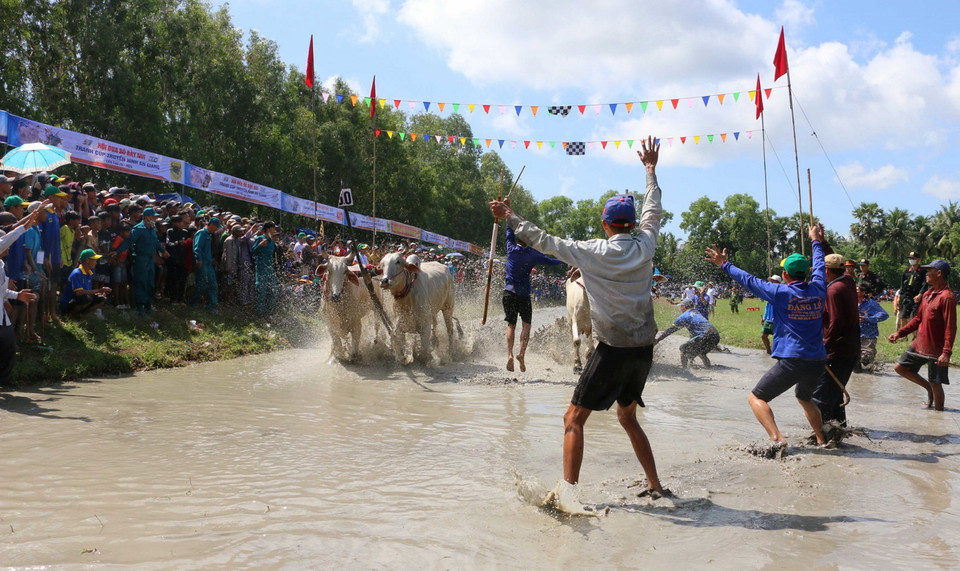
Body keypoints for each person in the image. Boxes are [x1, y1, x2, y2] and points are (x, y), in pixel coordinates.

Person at [488, 136, 665, 494]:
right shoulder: (647, 245)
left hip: (613, 349)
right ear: (631, 224)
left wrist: (509, 216)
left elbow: (544, 240)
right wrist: (650, 170)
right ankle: (655, 484)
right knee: (628, 418)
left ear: (605, 224)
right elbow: (653, 209)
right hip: (644, 348)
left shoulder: (592, 252)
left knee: (573, 420)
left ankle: (568, 493)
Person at [705, 224, 828, 446]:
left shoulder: (779, 292)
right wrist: (816, 241)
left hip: (793, 360)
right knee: (805, 397)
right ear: (807, 273)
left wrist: (724, 264)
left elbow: (749, 280)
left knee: (756, 397)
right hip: (818, 360)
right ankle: (821, 438)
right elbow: (820, 264)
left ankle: (777, 438)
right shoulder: (819, 288)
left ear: (784, 275)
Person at [501, 205, 564, 372]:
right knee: (526, 326)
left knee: (511, 325)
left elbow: (508, 227)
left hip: (509, 292)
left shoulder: (511, 248)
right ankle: (521, 353)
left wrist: (508, 209)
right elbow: (552, 261)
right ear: (529, 240)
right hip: (523, 294)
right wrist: (568, 261)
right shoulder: (534, 254)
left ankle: (509, 354)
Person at [889, 259, 956, 411]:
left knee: (936, 382)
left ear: (939, 274)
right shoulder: (927, 294)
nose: (926, 273)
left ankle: (938, 417)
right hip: (920, 343)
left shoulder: (947, 297)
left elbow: (950, 327)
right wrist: (900, 333)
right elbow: (918, 319)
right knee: (900, 367)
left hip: (936, 349)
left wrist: (946, 353)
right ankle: (928, 389)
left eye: (929, 270)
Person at [812, 252, 860, 426]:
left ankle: (820, 436)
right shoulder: (848, 281)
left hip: (837, 352)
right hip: (850, 349)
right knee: (835, 394)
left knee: (819, 397)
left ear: (825, 270)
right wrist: (820, 241)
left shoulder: (833, 290)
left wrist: (824, 347)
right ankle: (839, 433)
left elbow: (836, 321)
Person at [116, 207, 168, 317]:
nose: (155, 218)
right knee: (141, 283)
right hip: (140, 259)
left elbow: (156, 242)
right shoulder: (138, 229)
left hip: (150, 260)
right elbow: (129, 242)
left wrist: (163, 251)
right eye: (153, 216)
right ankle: (140, 308)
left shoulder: (152, 229)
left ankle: (148, 306)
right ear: (146, 217)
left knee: (150, 284)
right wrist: (116, 252)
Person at [655, 297, 720, 368]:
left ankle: (685, 370)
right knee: (701, 352)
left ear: (684, 307)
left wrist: (658, 339)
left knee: (683, 349)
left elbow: (670, 330)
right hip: (715, 336)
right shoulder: (697, 312)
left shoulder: (684, 316)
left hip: (705, 335)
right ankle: (708, 367)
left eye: (681, 307)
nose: (681, 309)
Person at [59, 249, 111, 319]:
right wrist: (98, 290)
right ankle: (70, 316)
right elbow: (79, 293)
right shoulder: (77, 273)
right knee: (86, 299)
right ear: (87, 260)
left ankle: (80, 315)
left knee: (101, 299)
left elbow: (87, 291)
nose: (96, 262)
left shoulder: (89, 273)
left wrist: (98, 293)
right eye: (94, 260)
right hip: (68, 303)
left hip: (79, 299)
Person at [857, 283, 889, 372]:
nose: (854, 291)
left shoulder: (871, 304)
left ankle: (872, 367)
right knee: (854, 365)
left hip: (868, 336)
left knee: (865, 360)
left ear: (863, 292)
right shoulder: (850, 303)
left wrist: (868, 319)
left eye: (857, 290)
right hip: (853, 336)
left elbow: (884, 315)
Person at [192, 217, 221, 314]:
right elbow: (197, 247)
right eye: (216, 227)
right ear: (212, 225)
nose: (216, 229)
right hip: (202, 263)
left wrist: (212, 259)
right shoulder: (201, 233)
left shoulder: (210, 234)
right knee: (202, 284)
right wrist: (198, 259)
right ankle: (194, 302)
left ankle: (212, 305)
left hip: (209, 263)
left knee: (213, 284)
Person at [251, 221, 279, 318]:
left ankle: (269, 312)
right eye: (273, 228)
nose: (274, 230)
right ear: (268, 229)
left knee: (274, 292)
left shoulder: (271, 241)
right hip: (261, 269)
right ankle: (260, 314)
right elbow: (253, 252)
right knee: (261, 292)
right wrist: (259, 246)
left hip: (270, 269)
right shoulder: (259, 239)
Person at [895, 251, 928, 330]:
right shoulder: (906, 271)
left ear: (918, 259)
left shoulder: (923, 272)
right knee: (903, 316)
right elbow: (902, 285)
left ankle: (915, 336)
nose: (911, 260)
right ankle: (903, 335)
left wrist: (920, 294)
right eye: (910, 258)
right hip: (906, 296)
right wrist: (899, 295)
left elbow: (925, 284)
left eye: (913, 258)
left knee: (915, 317)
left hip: (917, 297)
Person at [760, 275, 782, 354]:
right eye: (771, 281)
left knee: (777, 337)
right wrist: (764, 317)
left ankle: (777, 352)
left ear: (778, 282)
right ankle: (768, 351)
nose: (771, 282)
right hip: (768, 319)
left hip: (776, 319)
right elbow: (767, 306)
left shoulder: (781, 292)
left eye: (773, 281)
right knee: (763, 336)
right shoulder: (769, 292)